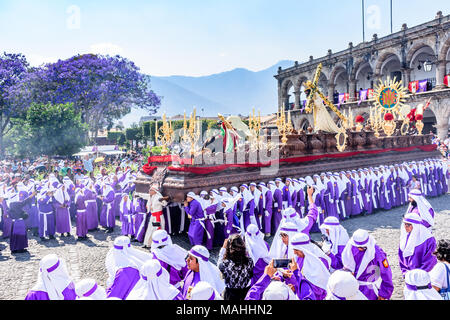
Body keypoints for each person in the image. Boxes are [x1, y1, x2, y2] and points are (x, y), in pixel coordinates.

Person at [341, 229, 394, 300]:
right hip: (352, 289)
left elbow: (386, 273)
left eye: (363, 247)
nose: (360, 249)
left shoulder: (377, 253)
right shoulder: (350, 247)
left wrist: (384, 293)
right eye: (358, 247)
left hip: (370, 291)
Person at [288, 232, 331, 300]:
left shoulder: (320, 261)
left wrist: (297, 284)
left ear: (304, 248)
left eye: (296, 250)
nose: (294, 253)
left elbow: (318, 289)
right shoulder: (300, 257)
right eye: (294, 250)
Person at [217, 234, 254, 300]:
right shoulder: (249, 261)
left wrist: (223, 248)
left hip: (230, 295)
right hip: (245, 293)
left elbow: (218, 265)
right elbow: (250, 276)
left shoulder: (226, 263)